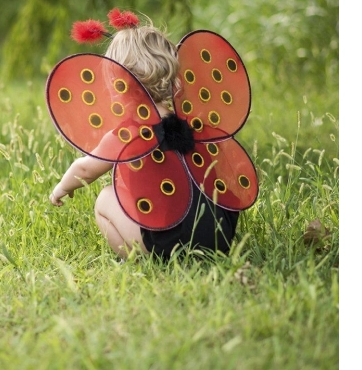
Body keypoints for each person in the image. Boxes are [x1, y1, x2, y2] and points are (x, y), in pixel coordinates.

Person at [48, 17, 239, 260]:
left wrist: (61, 188)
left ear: (118, 85)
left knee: (106, 198)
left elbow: (85, 169)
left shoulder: (128, 134)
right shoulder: (195, 125)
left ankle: (140, 259)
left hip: (171, 243)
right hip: (219, 235)